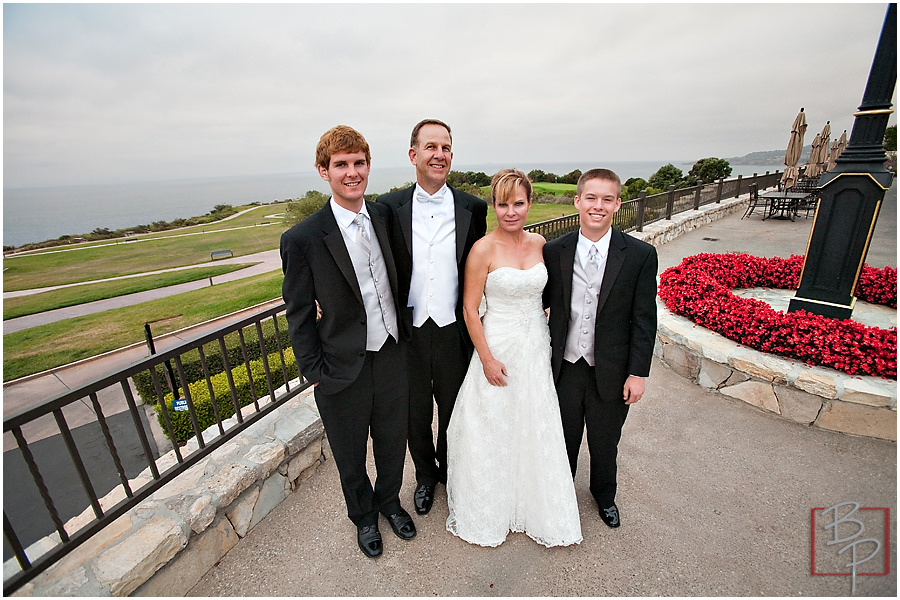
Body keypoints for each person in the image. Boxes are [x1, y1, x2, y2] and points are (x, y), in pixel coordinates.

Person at [280, 125, 416, 558]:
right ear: (324, 171)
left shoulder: (384, 216)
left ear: (368, 166)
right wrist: (314, 372)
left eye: (359, 163)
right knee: (350, 453)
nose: (352, 172)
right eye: (341, 165)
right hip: (341, 367)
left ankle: (390, 502)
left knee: (394, 441)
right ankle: (363, 517)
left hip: (393, 353)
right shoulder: (302, 239)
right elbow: (299, 313)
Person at [445, 169, 582, 548]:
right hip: (498, 345)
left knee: (533, 420)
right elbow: (471, 310)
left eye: (518, 203)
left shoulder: (540, 243)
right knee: (495, 425)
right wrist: (486, 358)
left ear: (529, 203)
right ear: (494, 205)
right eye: (502, 204)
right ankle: (493, 504)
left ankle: (534, 501)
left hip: (535, 346)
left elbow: (551, 295)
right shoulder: (482, 249)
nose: (510, 211)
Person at [377, 119, 488, 516]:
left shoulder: (473, 208)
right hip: (408, 332)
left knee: (456, 408)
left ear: (451, 156)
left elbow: (482, 262)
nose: (438, 154)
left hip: (454, 330)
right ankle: (425, 475)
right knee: (415, 413)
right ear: (414, 155)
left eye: (445, 147)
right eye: (430, 147)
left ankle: (452, 472)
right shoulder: (388, 209)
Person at [543, 168, 658, 529]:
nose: (598, 205)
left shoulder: (639, 255)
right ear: (578, 201)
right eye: (591, 197)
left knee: (606, 439)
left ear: (617, 204)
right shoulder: (555, 251)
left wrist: (638, 373)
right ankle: (561, 497)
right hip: (565, 364)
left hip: (612, 366)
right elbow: (539, 302)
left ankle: (604, 495)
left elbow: (644, 319)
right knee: (564, 437)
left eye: (607, 199)